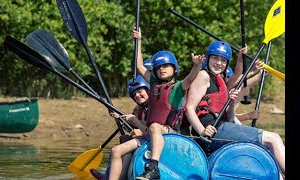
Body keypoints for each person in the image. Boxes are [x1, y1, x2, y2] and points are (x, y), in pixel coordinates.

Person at [184, 41, 285, 177]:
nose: (219, 63)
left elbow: (231, 116)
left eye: (223, 60)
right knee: (273, 138)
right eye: (215, 58)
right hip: (212, 132)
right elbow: (189, 108)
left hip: (222, 127)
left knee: (268, 144)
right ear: (208, 58)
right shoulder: (203, 76)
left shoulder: (219, 81)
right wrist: (202, 131)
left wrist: (241, 61)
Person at [133, 27, 205, 179]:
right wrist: (138, 41)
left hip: (172, 132)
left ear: (174, 68)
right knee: (120, 147)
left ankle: (153, 168)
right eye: (158, 67)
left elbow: (190, 79)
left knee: (154, 126)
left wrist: (196, 65)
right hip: (154, 131)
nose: (162, 69)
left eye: (165, 66)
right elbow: (139, 66)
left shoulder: (178, 87)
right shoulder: (154, 83)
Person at [90, 64, 153, 180]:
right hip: (143, 137)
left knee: (116, 150)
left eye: (140, 91)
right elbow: (134, 128)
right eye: (134, 95)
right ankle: (110, 175)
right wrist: (120, 119)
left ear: (148, 90)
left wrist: (135, 123)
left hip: (150, 139)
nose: (137, 95)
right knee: (124, 139)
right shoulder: (139, 109)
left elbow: (150, 130)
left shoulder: (153, 107)